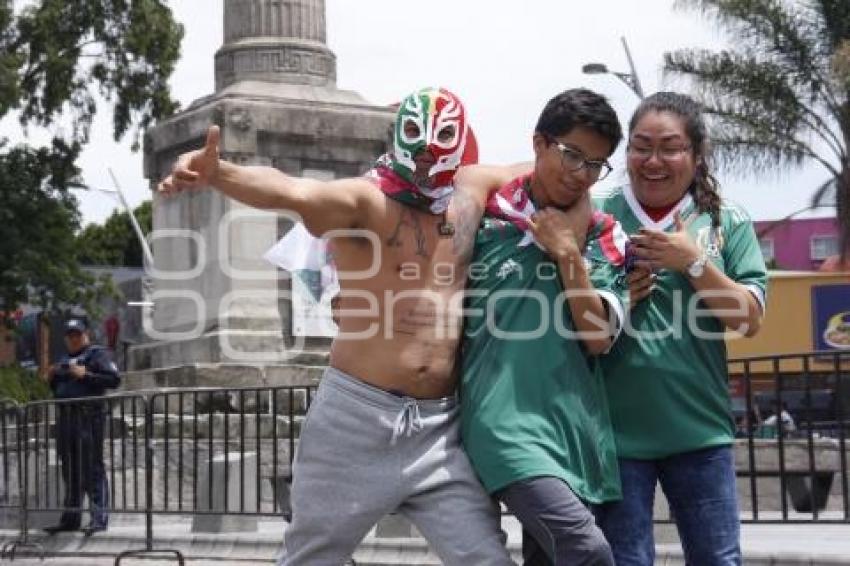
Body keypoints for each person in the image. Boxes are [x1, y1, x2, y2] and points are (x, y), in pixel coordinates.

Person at [158, 87, 518, 565]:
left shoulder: (469, 193)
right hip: (354, 422)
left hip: (439, 428)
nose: (429, 164)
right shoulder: (364, 201)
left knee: (487, 560)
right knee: (311, 558)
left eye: (440, 150)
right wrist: (220, 172)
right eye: (419, 148)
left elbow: (542, 169)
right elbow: (294, 190)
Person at [592, 92, 767, 566]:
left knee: (718, 560)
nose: (653, 160)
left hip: (701, 435)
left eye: (669, 147)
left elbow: (747, 318)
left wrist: (692, 262)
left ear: (696, 153)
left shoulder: (727, 221)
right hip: (612, 438)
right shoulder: (593, 211)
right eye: (640, 146)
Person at [461, 88, 630, 566]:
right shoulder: (485, 213)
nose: (581, 174)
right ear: (538, 144)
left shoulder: (605, 233)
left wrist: (568, 253)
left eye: (595, 164)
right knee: (587, 551)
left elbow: (597, 336)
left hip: (573, 434)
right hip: (501, 424)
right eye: (572, 155)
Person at [43, 319, 121, 536]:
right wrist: (50, 378)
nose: (74, 339)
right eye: (70, 335)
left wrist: (85, 374)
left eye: (77, 334)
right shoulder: (64, 359)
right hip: (66, 419)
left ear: (86, 334)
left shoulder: (98, 354)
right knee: (70, 469)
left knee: (91, 467)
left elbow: (114, 380)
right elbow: (59, 388)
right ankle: (71, 519)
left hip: (88, 417)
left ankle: (98, 518)